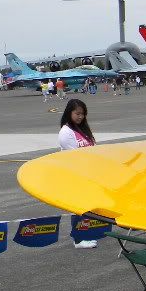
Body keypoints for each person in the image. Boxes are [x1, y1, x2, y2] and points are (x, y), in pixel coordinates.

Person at [58, 99, 98, 248]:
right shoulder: (66, 133)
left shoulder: (82, 129)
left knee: (88, 207)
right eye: (77, 113)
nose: (81, 117)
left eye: (83, 114)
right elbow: (76, 157)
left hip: (88, 175)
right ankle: (78, 240)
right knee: (78, 208)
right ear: (69, 113)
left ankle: (86, 233)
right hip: (75, 176)